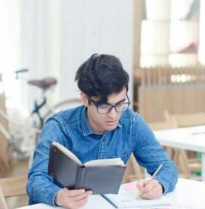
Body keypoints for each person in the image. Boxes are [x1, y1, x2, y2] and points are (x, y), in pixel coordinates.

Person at [27, 54, 178, 209]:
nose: (114, 115)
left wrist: (159, 184)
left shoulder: (131, 122)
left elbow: (167, 166)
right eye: (104, 107)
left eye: (120, 104)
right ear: (85, 99)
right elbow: (36, 180)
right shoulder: (59, 127)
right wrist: (58, 196)